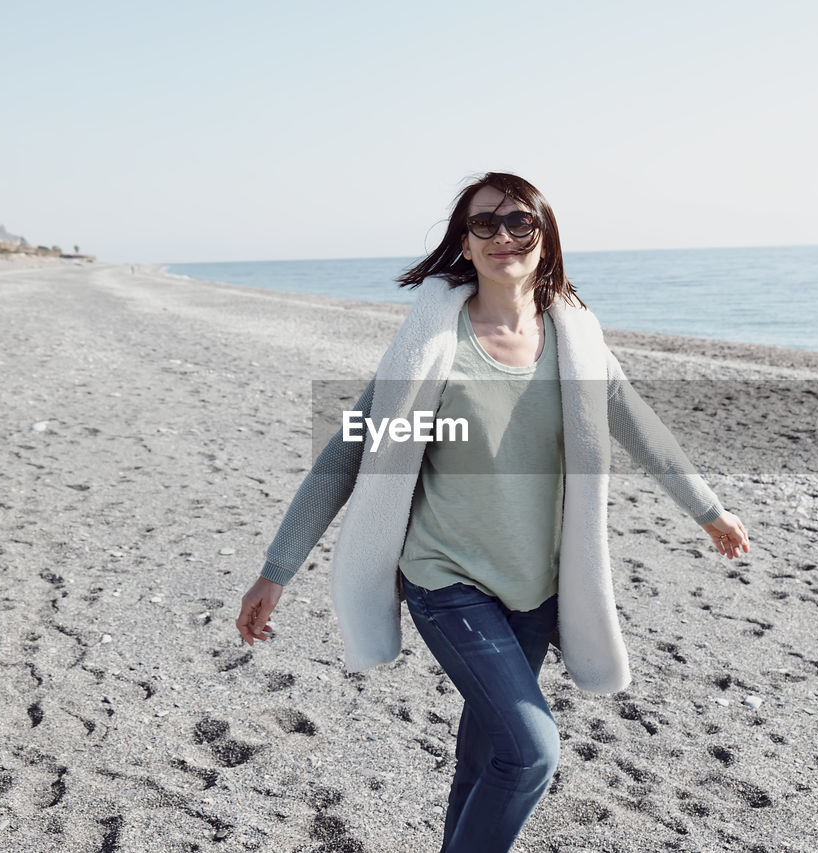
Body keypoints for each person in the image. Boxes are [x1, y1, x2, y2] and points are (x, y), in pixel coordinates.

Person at [236, 172, 750, 852]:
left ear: (545, 237)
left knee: (486, 759)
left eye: (519, 223)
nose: (503, 235)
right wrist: (276, 571)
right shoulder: (432, 344)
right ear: (465, 244)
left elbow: (641, 427)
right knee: (532, 750)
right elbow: (346, 454)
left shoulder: (576, 337)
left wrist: (708, 510)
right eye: (485, 224)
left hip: (537, 587)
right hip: (447, 580)